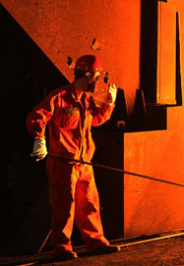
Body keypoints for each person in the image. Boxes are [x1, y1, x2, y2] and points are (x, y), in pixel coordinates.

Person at [26, 55, 120, 260]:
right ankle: (62, 248)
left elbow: (96, 120)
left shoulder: (87, 100)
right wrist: (39, 139)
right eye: (96, 76)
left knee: (89, 204)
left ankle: (96, 243)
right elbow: (37, 115)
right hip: (63, 163)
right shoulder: (58, 98)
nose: (98, 80)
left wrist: (109, 104)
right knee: (64, 206)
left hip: (84, 163)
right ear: (86, 74)